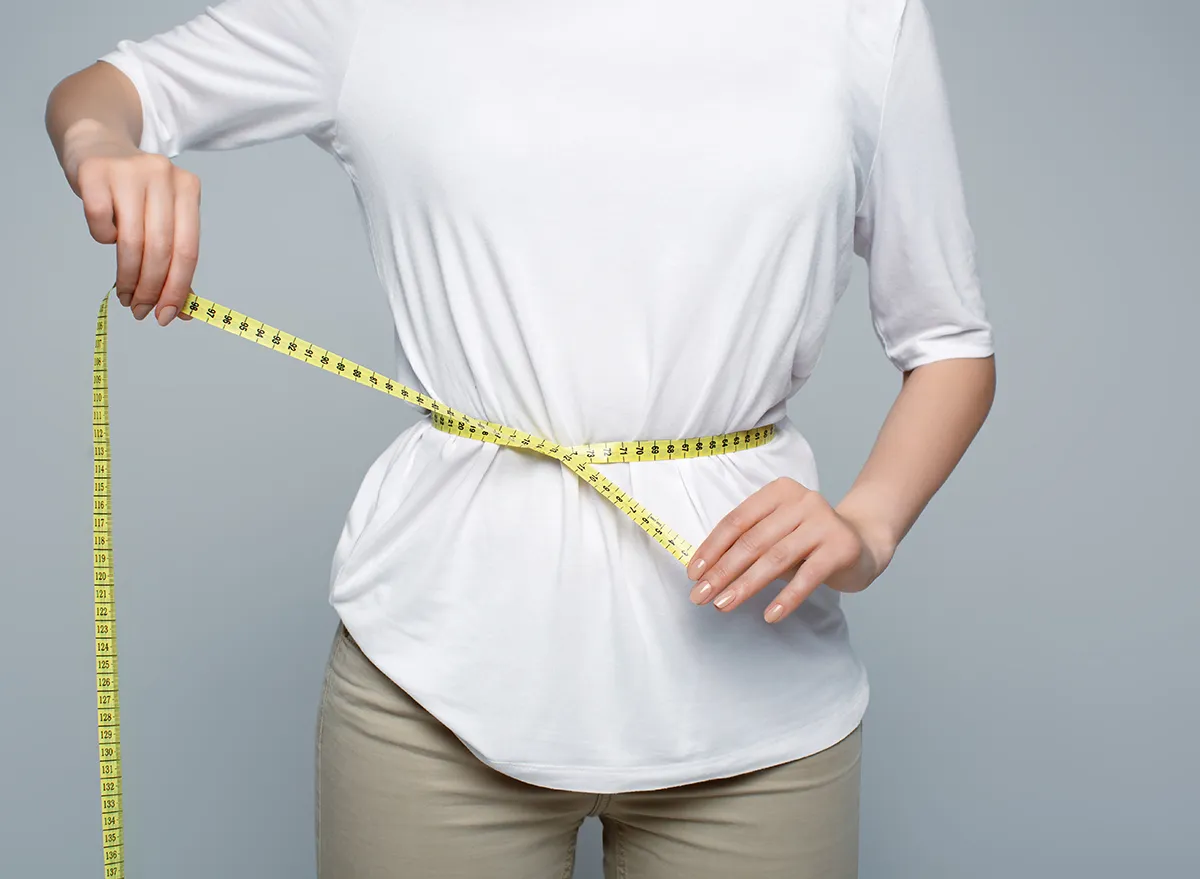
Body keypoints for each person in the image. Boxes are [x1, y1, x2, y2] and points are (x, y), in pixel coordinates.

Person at [46, 0, 996, 876]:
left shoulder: (861, 18)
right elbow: (107, 91)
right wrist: (102, 144)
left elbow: (950, 342)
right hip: (431, 685)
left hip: (761, 710)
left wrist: (869, 526)